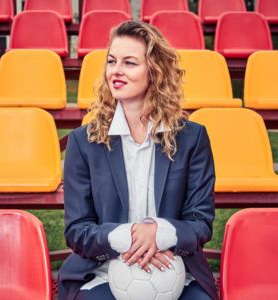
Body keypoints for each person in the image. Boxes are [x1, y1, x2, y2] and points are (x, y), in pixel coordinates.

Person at [58, 21, 217, 300]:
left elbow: (200, 223)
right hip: (102, 270)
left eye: (129, 63)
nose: (116, 71)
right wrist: (131, 235)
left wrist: (158, 234)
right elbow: (77, 230)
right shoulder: (84, 142)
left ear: (154, 71)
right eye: (111, 61)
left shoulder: (192, 138)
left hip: (174, 265)